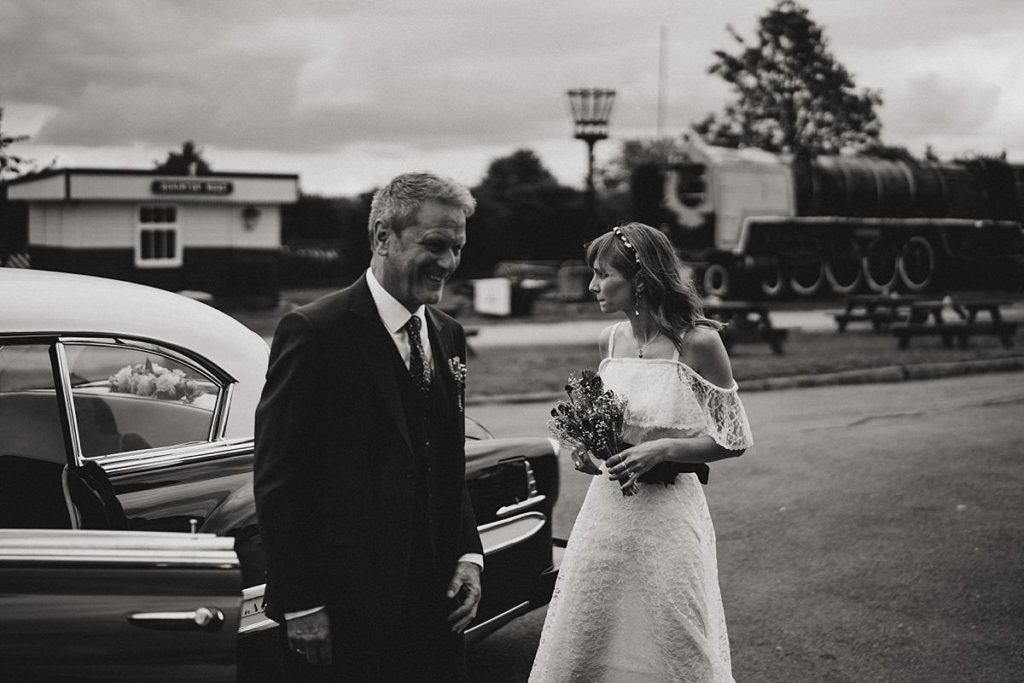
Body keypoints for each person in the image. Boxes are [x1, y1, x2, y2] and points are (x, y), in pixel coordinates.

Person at [254, 172, 483, 682]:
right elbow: (279, 477)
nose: (448, 263)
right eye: (435, 245)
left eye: (457, 248)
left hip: (437, 604)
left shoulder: (448, 334)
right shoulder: (315, 331)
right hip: (346, 607)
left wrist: (469, 554)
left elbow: (446, 458)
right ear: (383, 237)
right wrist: (301, 602)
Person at [530, 222, 754, 682]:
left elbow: (733, 439)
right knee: (592, 630)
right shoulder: (611, 342)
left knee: (674, 635)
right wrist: (589, 450)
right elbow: (609, 424)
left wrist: (665, 448)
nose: (593, 285)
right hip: (606, 515)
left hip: (669, 520)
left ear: (642, 278)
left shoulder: (698, 344)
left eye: (603, 274)